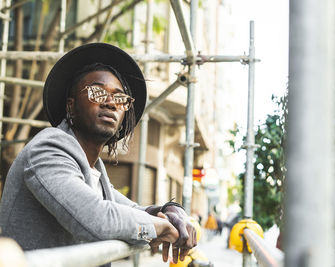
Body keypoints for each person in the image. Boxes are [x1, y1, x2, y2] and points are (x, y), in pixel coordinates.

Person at [0, 43, 196, 265]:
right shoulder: (48, 148)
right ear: (71, 106)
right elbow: (98, 219)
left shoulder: (92, 170)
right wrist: (159, 227)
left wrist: (170, 210)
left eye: (120, 98)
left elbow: (132, 210)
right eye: (98, 92)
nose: (111, 103)